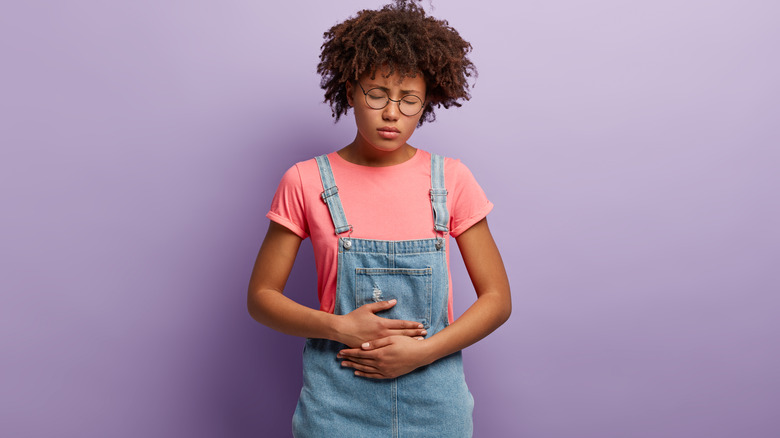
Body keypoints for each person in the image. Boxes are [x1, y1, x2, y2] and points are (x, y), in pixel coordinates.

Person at [247, 1, 511, 436]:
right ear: (350, 89)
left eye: (409, 100)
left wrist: (422, 353)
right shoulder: (306, 179)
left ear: (428, 101)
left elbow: (497, 300)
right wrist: (338, 326)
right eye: (377, 94)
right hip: (336, 403)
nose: (392, 113)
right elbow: (261, 297)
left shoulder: (452, 180)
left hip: (435, 402)